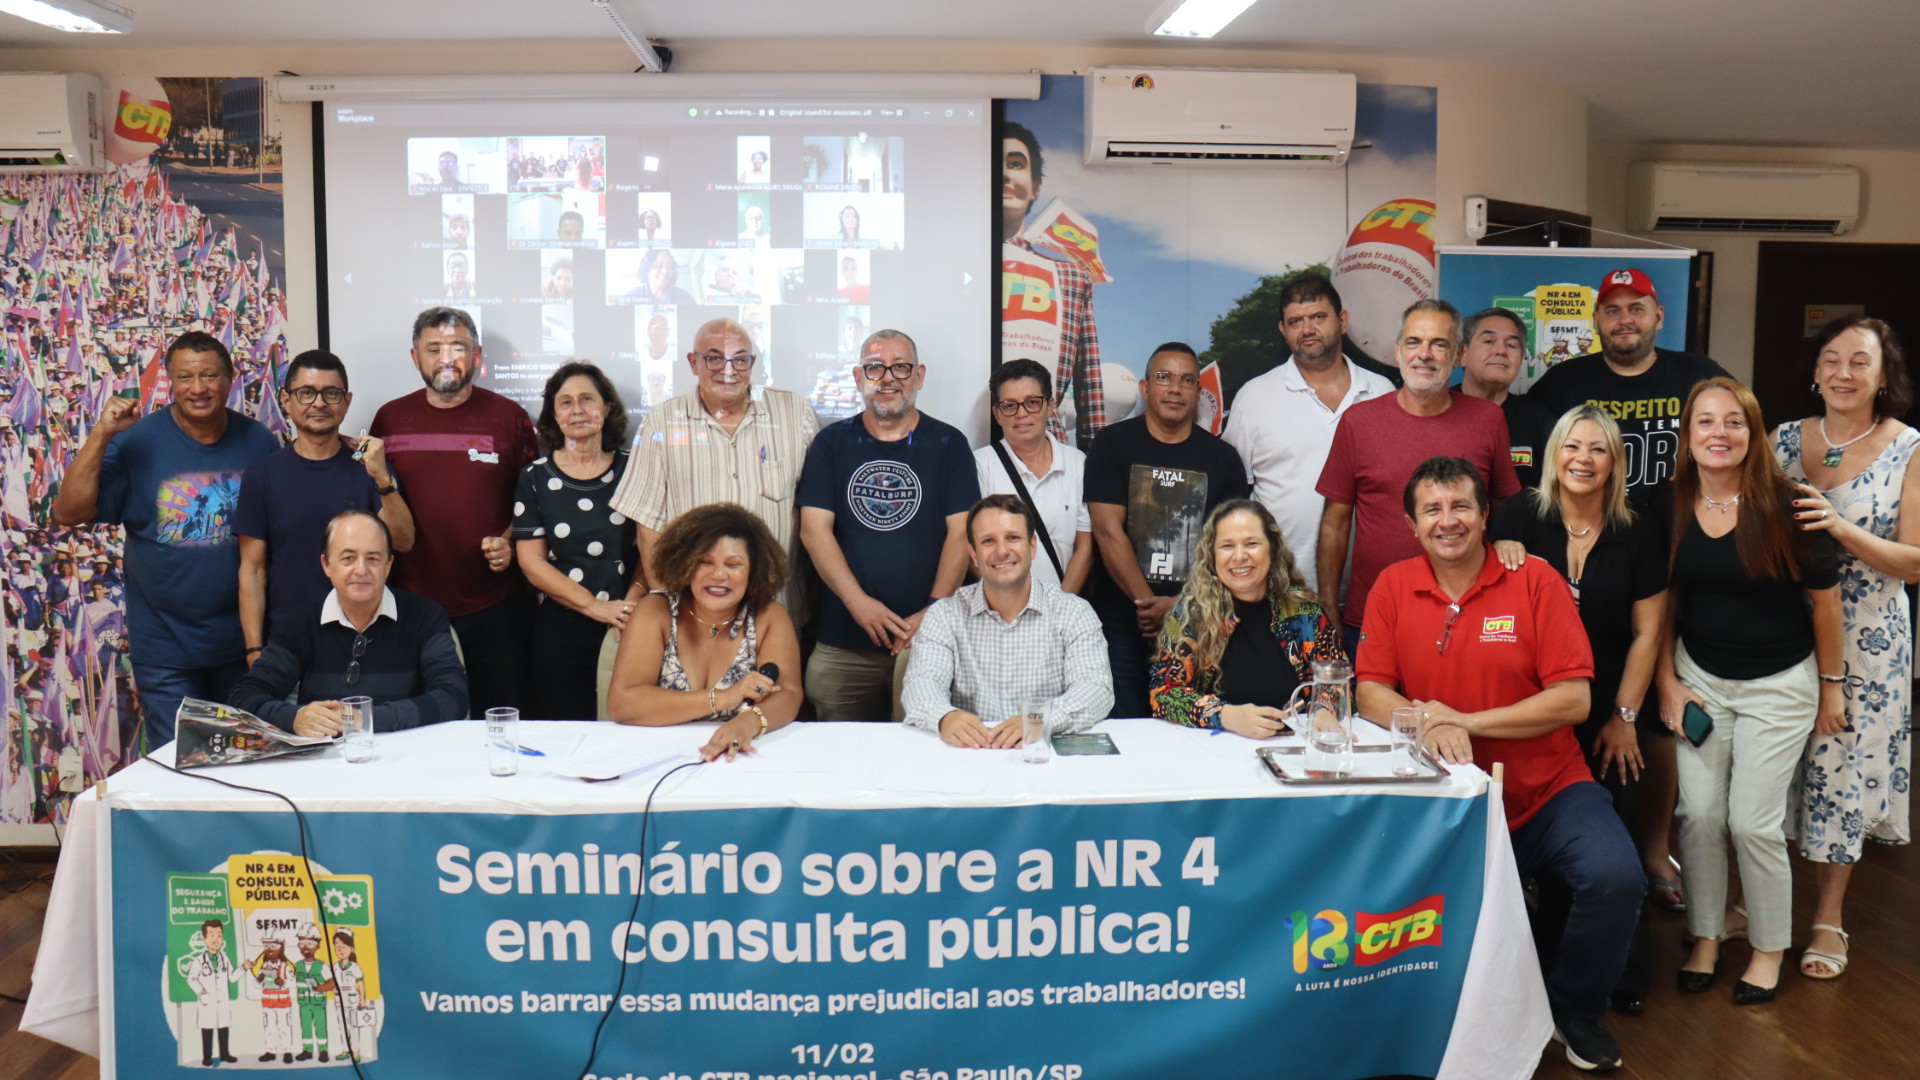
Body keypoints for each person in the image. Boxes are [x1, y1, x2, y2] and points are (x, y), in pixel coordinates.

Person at [1356, 456, 1640, 1072]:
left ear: (1486, 515)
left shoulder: (1535, 580)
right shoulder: (1391, 586)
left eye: (1461, 506)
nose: (1448, 521)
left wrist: (1467, 721)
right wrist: (1429, 723)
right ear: (1411, 523)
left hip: (1548, 792)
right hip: (1445, 802)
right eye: (1432, 509)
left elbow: (1574, 700)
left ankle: (1574, 1010)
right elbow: (1369, 691)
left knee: (1615, 875)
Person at [1657, 377, 1844, 1004]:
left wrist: (1832, 688)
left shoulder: (1790, 505)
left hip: (1778, 685)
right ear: (1688, 435)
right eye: (1705, 421)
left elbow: (1826, 605)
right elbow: (1661, 605)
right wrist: (1667, 683)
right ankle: (1707, 935)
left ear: (1753, 433)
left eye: (1734, 421)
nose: (1719, 433)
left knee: (1752, 823)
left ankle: (1768, 947)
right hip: (1700, 679)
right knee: (1699, 815)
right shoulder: (1669, 502)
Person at [1490, 404, 1670, 1014]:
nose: (1583, 459)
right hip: (1534, 705)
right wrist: (1502, 548)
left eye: (1598, 449)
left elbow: (1648, 632)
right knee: (1549, 840)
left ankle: (1619, 978)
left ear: (1615, 462)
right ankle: (1542, 971)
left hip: (1612, 704)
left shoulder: (1637, 528)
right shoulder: (1521, 515)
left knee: (1613, 838)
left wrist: (1624, 718)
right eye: (1572, 446)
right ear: (1553, 455)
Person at [1770, 316, 1920, 982]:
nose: (1843, 373)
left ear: (1884, 375)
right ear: (1815, 369)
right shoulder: (1780, 440)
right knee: (1771, 764)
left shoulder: (1908, 447)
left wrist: (1839, 527)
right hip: (1780, 629)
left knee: (1842, 770)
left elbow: (1914, 561)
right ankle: (1758, 901)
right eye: (1831, 359)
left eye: (1860, 361)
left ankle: (1828, 917)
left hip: (1867, 640)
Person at [53, 331, 280, 750]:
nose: (198, 388)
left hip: (243, 647)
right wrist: (102, 435)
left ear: (230, 379)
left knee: (247, 763)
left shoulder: (259, 442)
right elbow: (69, 512)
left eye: (209, 375)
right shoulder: (136, 441)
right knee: (180, 766)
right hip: (165, 651)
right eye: (185, 377)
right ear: (170, 382)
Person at [1315, 299, 1521, 653]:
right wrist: (1329, 607)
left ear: (1458, 356)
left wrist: (1505, 544)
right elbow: (1335, 523)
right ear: (1398, 351)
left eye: (1438, 344)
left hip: (1467, 615)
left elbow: (1504, 508)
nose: (1424, 354)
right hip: (1374, 617)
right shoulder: (1358, 422)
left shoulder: (1488, 419)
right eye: (1414, 342)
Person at [798, 329, 977, 721]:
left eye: (901, 367)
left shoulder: (949, 444)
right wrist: (858, 603)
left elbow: (962, 532)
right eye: (875, 368)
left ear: (919, 375)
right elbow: (813, 531)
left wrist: (934, 611)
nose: (888, 378)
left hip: (927, 640)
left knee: (923, 749)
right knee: (836, 751)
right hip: (844, 641)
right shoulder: (831, 443)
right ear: (859, 377)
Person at [370, 307, 538, 714]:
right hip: (410, 607)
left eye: (458, 347)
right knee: (420, 724)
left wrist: (510, 540)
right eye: (434, 349)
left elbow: (534, 501)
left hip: (496, 608)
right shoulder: (389, 419)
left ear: (477, 355)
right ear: (415, 357)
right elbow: (376, 503)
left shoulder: (510, 418)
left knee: (499, 720)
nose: (446, 358)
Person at [611, 318, 818, 618]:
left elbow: (817, 516)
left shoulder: (794, 413)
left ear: (752, 363)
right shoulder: (661, 421)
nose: (728, 370)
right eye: (714, 358)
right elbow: (648, 528)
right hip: (692, 615)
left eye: (740, 359)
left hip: (778, 610)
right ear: (693, 363)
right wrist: (672, 613)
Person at [1085, 342, 1250, 718]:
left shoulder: (1223, 459)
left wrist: (1179, 607)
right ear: (1145, 388)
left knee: (1188, 724)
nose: (1175, 388)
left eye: (1187, 380)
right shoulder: (1112, 444)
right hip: (1123, 621)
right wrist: (1148, 607)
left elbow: (1232, 546)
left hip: (1198, 621)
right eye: (1164, 378)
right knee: (1126, 726)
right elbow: (1107, 531)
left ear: (1197, 393)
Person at [1222, 273, 1393, 595]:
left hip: (1369, 591)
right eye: (1296, 321)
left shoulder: (1382, 392)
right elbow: (1233, 496)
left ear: (1343, 321)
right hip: (1278, 590)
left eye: (1318, 317)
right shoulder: (1255, 397)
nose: (1308, 329)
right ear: (1283, 330)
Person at [237, 349, 414, 659]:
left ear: (346, 401)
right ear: (286, 400)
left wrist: (382, 477)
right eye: (306, 393)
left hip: (367, 640)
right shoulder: (262, 475)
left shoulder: (370, 468)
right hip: (289, 643)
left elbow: (403, 541)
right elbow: (252, 570)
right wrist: (254, 648)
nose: (319, 403)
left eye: (331, 393)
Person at [229, 511, 468, 735]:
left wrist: (366, 720)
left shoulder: (425, 617)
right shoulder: (300, 624)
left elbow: (453, 697)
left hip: (405, 755)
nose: (361, 570)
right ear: (326, 565)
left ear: (388, 566)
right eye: (348, 558)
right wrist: (294, 717)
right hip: (323, 758)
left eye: (373, 559)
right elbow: (244, 697)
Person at [902, 495, 1111, 745]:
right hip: (971, 752)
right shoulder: (944, 615)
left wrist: (1038, 720)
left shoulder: (1074, 612)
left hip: (1041, 752)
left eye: (1013, 538)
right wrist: (944, 717)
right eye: (988, 541)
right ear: (973, 554)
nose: (1002, 551)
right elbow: (921, 683)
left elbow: (1095, 689)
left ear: (1032, 546)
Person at [608, 503, 802, 761]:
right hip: (653, 757)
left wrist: (749, 723)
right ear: (685, 565)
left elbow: (788, 694)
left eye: (733, 565)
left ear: (754, 571)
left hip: (737, 759)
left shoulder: (769, 616)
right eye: (705, 562)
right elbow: (623, 703)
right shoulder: (655, 610)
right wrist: (722, 698)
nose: (719, 575)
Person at [1527, 267, 1729, 500]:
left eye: (1637, 309)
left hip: (1679, 518)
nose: (1625, 320)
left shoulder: (1699, 374)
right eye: (1612, 311)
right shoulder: (1561, 382)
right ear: (1596, 320)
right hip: (1591, 520)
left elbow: (1746, 429)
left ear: (1659, 317)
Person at [512, 363, 643, 721]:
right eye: (566, 402)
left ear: (607, 407)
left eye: (587, 399)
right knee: (565, 731)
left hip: (629, 625)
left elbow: (653, 553)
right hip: (562, 632)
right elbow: (532, 562)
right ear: (554, 415)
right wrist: (594, 607)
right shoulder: (535, 477)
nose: (577, 410)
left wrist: (628, 611)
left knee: (627, 729)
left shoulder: (636, 469)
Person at [1148, 499, 1339, 736]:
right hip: (1216, 747)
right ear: (1212, 554)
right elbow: (1162, 693)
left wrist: (1323, 708)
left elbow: (1338, 681)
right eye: (1227, 546)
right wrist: (1227, 715)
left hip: (1291, 744)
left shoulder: (1305, 613)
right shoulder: (1192, 614)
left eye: (1251, 544)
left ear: (1272, 548)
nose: (1239, 556)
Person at [1000, 121, 1105, 449]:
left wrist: (1095, 462)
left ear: (1035, 187)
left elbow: (1089, 385)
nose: (1004, 174)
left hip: (1046, 455)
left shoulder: (1070, 276)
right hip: (963, 446)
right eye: (993, 164)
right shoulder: (947, 265)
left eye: (1016, 164)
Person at [974, 358, 1092, 593]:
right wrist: (1010, 603)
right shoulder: (980, 464)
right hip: (1000, 606)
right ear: (997, 414)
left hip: (1062, 606)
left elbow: (1084, 548)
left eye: (1032, 403)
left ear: (1050, 406)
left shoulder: (1077, 463)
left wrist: (1060, 606)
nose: (1021, 413)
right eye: (1009, 405)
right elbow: (971, 549)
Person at [1460, 307, 1558, 490]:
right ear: (1463, 354)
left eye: (1511, 345)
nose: (1501, 351)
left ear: (1521, 360)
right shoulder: (1441, 407)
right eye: (1489, 341)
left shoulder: (1538, 419)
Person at [185, 918, 241, 1067]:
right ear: (204, 939)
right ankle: (207, 1057)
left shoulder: (225, 959)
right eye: (212, 935)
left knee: (223, 1029)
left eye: (219, 935)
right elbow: (191, 979)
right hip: (207, 1002)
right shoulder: (198, 961)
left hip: (222, 1002)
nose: (216, 939)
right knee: (207, 1031)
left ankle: (224, 1054)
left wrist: (244, 968)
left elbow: (232, 977)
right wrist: (202, 992)